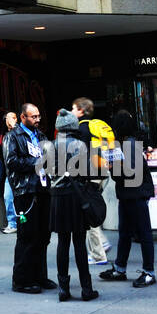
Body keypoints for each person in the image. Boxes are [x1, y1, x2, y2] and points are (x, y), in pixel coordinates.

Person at [100, 110, 156, 288]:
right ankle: (121, 267)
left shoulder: (127, 145)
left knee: (140, 233)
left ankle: (148, 272)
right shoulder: (129, 143)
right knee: (127, 233)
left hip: (134, 193)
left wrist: (112, 168)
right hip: (132, 193)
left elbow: (127, 173)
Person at [49, 111, 99, 302]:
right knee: (79, 242)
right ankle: (86, 288)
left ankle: (63, 289)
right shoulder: (80, 145)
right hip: (76, 196)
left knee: (62, 243)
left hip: (58, 198)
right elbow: (88, 171)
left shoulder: (50, 145)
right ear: (73, 126)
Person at [7, 103, 54, 294]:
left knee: (43, 235)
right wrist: (36, 162)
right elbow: (11, 161)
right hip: (25, 191)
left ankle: (39, 276)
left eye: (38, 116)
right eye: (33, 117)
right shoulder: (13, 136)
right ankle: (22, 279)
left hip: (43, 189)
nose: (37, 120)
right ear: (23, 117)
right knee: (27, 236)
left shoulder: (40, 136)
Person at [70, 97, 115, 268]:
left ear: (81, 111)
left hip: (89, 174)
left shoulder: (81, 129)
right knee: (93, 209)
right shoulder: (98, 126)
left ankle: (98, 254)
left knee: (88, 213)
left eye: (74, 109)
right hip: (103, 172)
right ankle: (101, 243)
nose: (73, 112)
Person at [0, 110, 19, 234]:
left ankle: (22, 223)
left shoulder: (20, 132)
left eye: (13, 117)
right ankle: (12, 223)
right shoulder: (4, 135)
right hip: (9, 172)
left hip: (20, 172)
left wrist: (15, 127)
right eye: (8, 118)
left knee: (21, 199)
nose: (10, 120)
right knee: (8, 197)